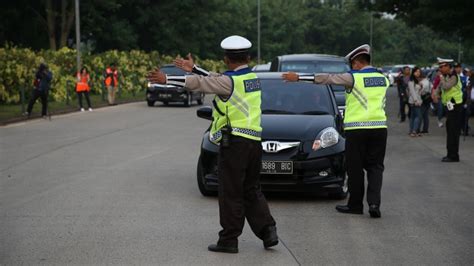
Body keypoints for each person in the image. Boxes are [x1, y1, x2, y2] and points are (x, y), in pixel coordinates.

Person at [147, 35, 278, 253]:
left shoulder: (229, 81)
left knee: (230, 192)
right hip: (254, 142)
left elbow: (205, 83)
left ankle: (229, 240)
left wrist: (167, 78)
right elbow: (217, 79)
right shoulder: (252, 78)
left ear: (227, 58)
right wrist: (195, 67)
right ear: (247, 57)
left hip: (235, 142)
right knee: (252, 189)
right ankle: (268, 231)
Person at [282, 44, 388, 218]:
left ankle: (355, 205)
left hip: (357, 129)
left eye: (352, 64)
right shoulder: (383, 78)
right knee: (376, 167)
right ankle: (374, 204)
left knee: (355, 168)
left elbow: (327, 79)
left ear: (356, 63)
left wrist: (298, 77)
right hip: (379, 129)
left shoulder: (353, 78)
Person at [432, 57, 463, 162]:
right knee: (450, 130)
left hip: (456, 106)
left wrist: (440, 77)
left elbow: (446, 86)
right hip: (450, 107)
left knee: (453, 131)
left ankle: (453, 155)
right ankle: (450, 153)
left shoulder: (454, 76)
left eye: (441, 67)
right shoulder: (445, 76)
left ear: (448, 66)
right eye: (439, 67)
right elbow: (440, 88)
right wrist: (435, 94)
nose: (440, 69)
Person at [407, 67, 423, 137]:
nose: (418, 73)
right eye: (416, 72)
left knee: (413, 116)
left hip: (418, 100)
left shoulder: (417, 81)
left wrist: (421, 87)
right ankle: (414, 131)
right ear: (413, 73)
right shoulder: (411, 81)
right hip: (414, 101)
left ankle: (412, 131)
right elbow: (412, 92)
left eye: (419, 72)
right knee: (418, 116)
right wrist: (416, 101)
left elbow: (419, 92)